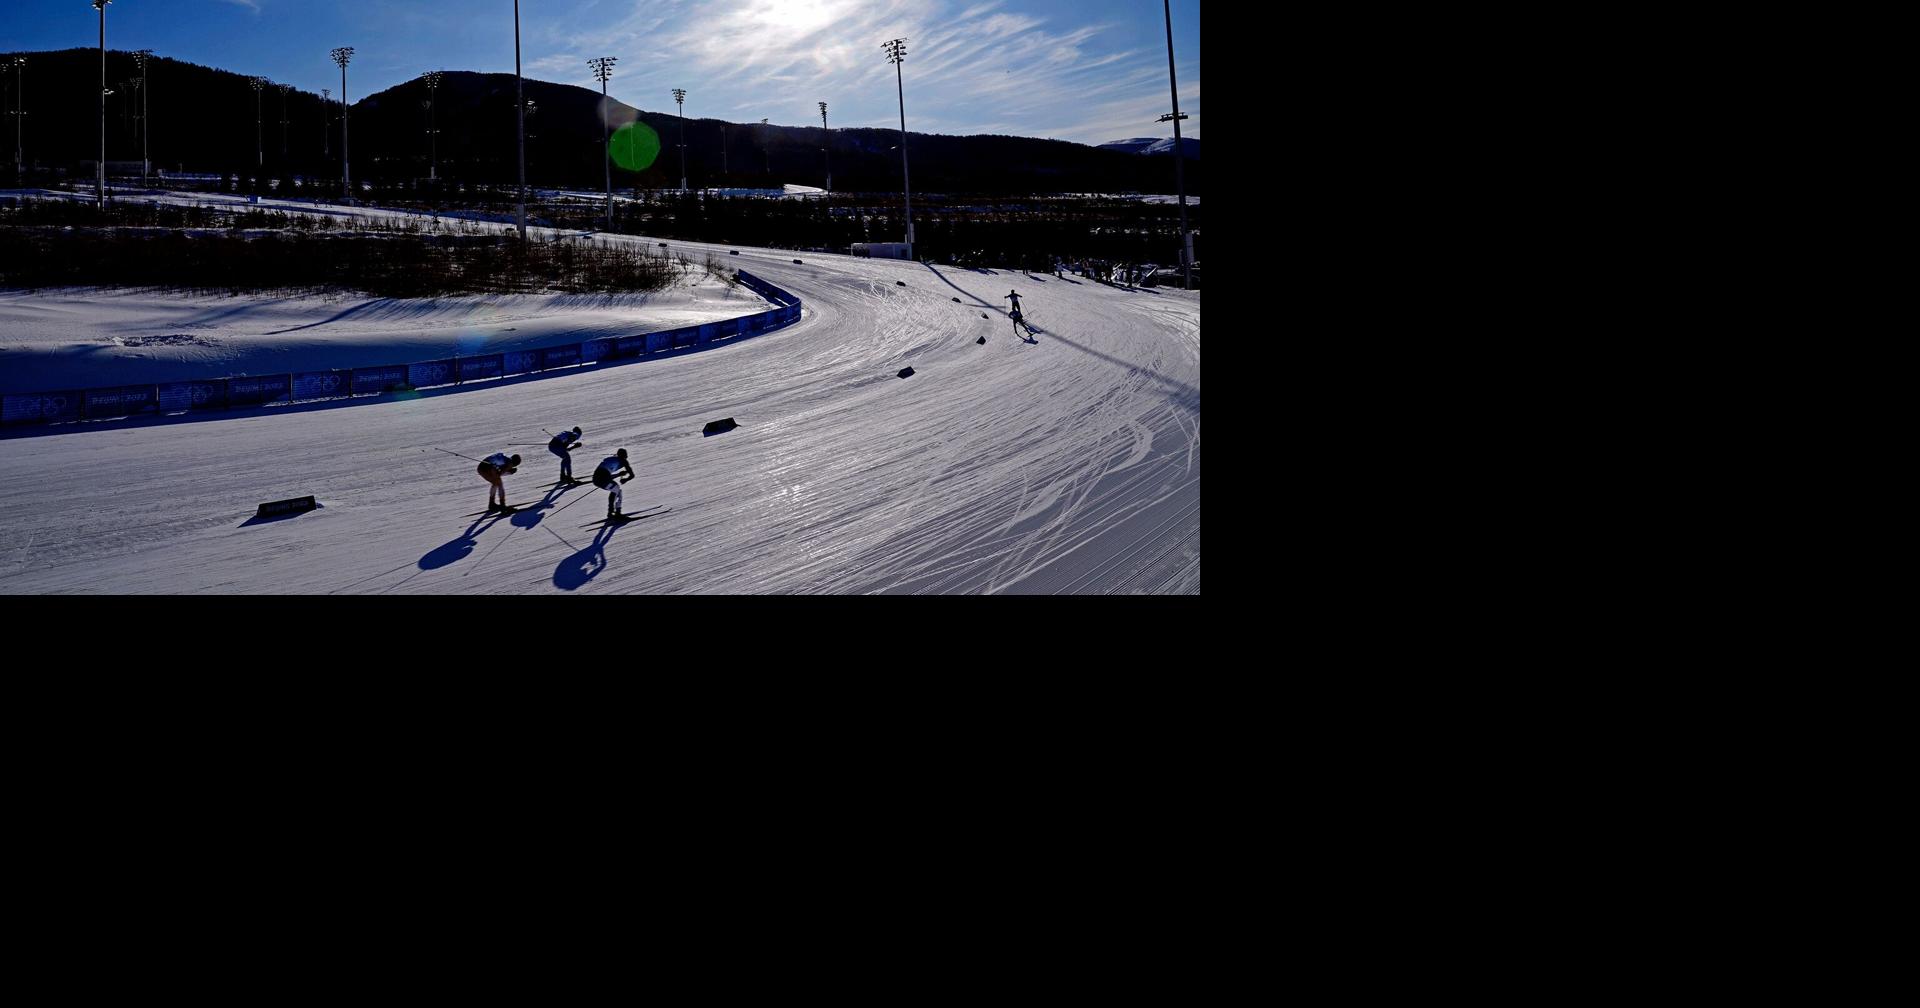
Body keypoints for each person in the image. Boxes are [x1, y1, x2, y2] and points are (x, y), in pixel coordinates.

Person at [593, 448, 636, 521]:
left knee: (616, 490)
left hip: (596, 480)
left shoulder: (611, 458)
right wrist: (625, 479)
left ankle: (612, 512)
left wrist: (619, 474)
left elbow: (607, 474)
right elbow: (632, 475)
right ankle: (615, 513)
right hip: (603, 478)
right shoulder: (623, 461)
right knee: (617, 490)